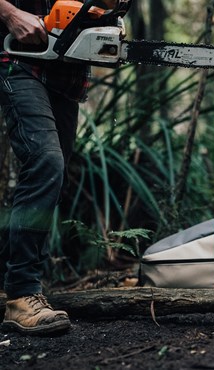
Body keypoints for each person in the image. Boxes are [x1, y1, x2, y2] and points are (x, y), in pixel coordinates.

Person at [0, 0, 90, 335]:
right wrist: (8, 13)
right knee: (46, 161)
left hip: (67, 68)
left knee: (54, 173)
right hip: (15, 56)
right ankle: (21, 295)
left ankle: (5, 279)